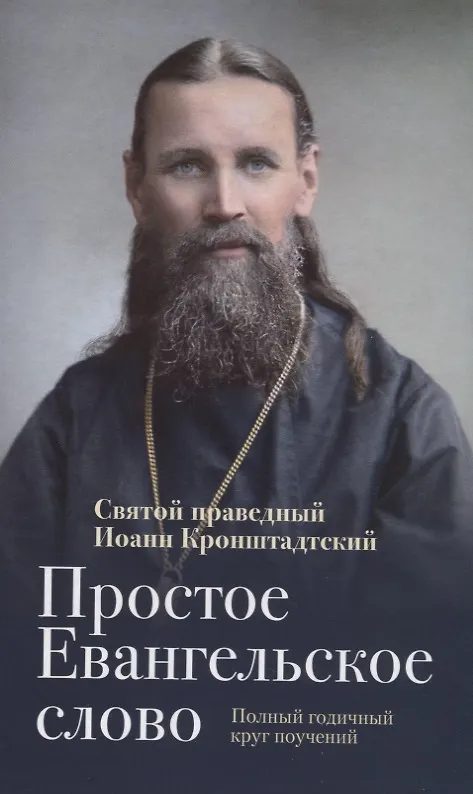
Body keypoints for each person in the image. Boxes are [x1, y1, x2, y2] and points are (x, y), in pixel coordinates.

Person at [1, 37, 472, 793]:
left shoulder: (399, 416)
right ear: (136, 186)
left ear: (305, 180)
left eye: (256, 162)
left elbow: (421, 707)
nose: (225, 204)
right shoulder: (75, 416)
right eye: (187, 166)